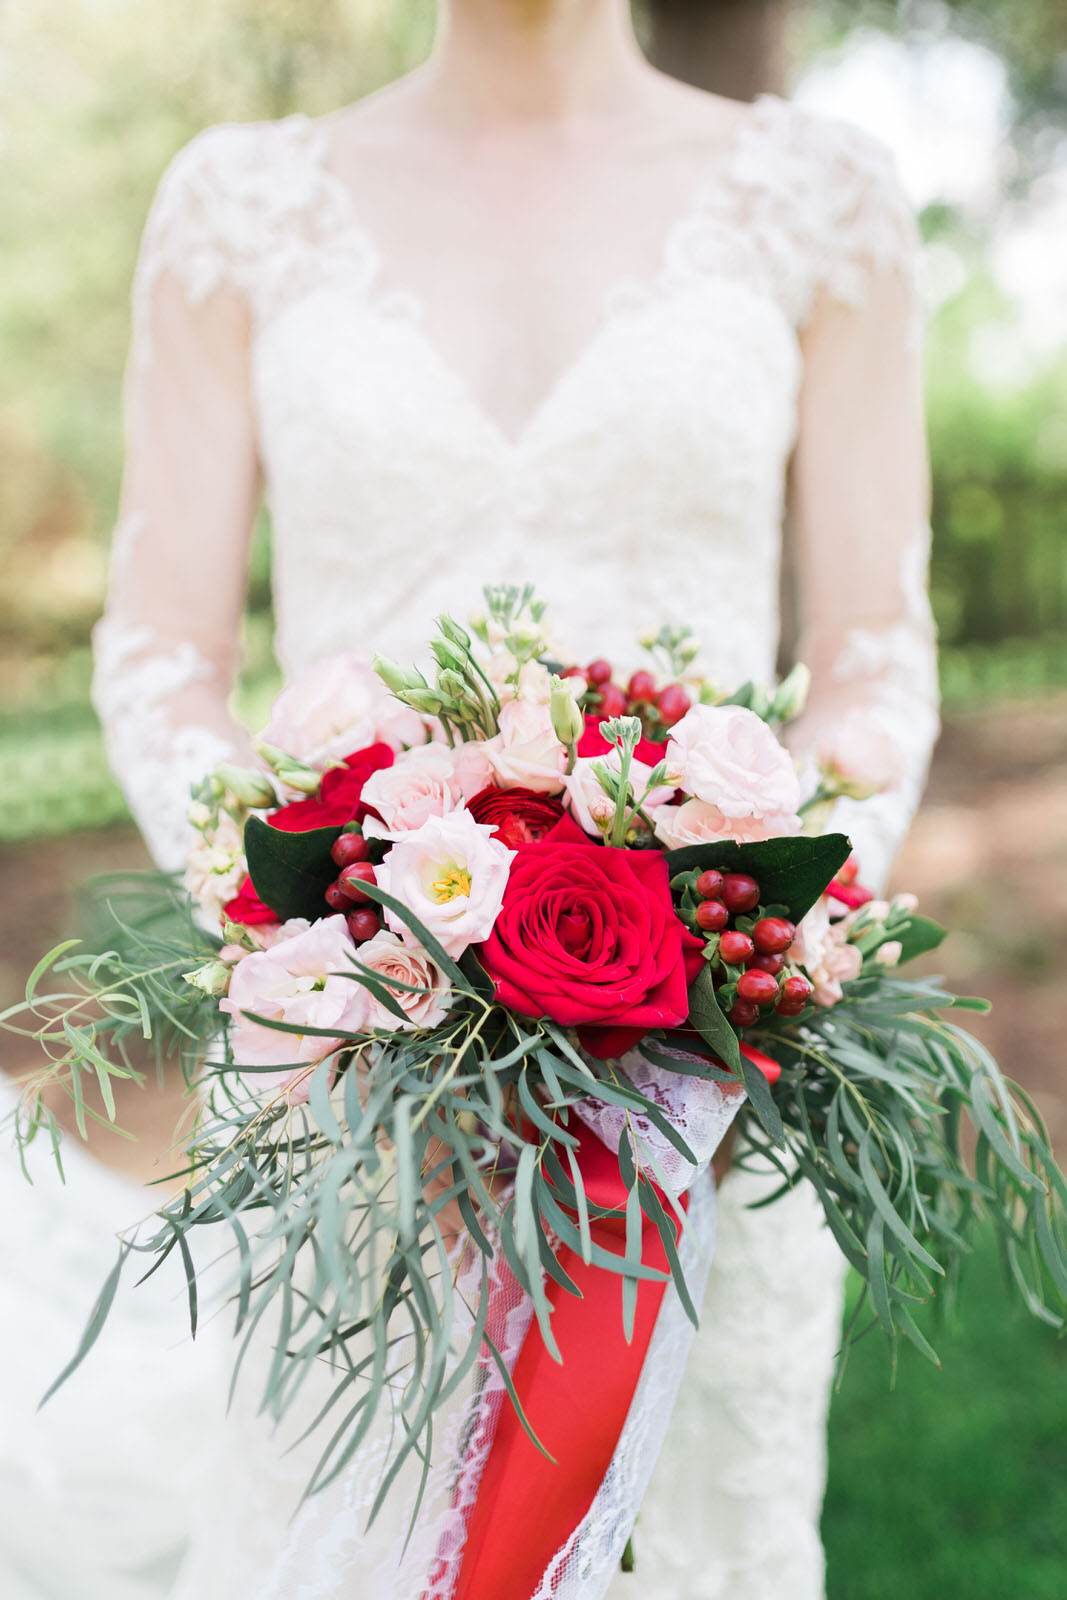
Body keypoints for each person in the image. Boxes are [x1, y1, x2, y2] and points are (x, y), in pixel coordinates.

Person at [90, 0, 939, 1594]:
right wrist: (321, 917)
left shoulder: (828, 196)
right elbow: (161, 655)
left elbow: (872, 656)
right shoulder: (235, 206)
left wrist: (741, 928)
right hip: (343, 1077)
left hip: (701, 1097)